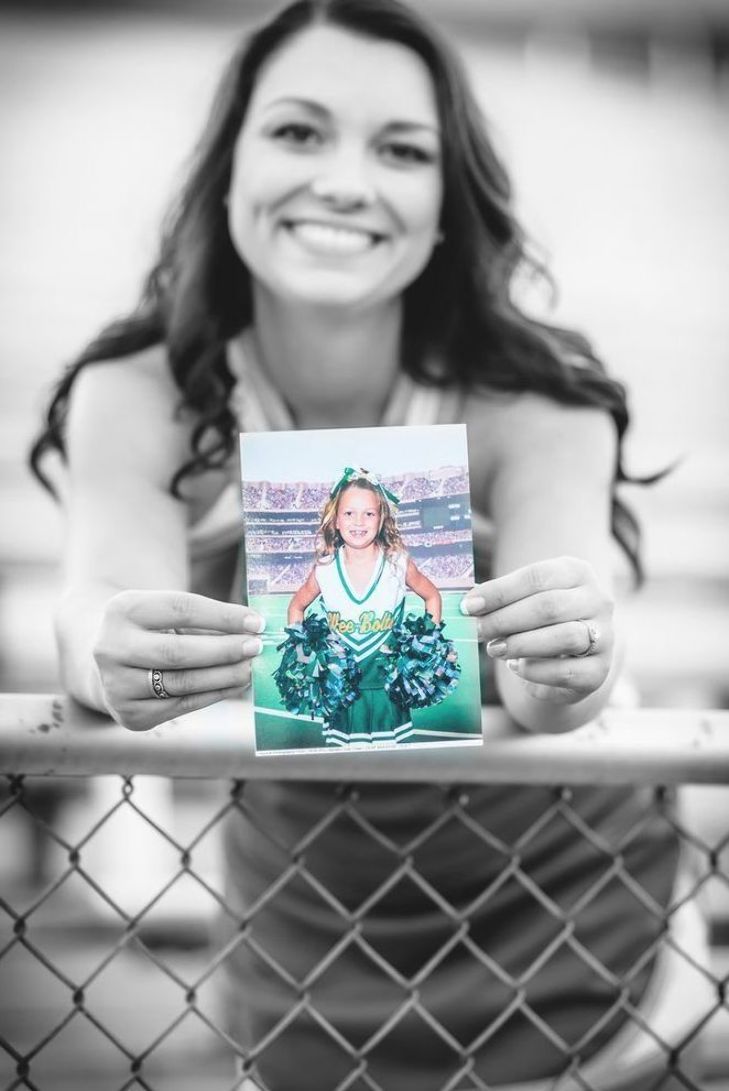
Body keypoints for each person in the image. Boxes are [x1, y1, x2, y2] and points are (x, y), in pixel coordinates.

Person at [29, 0, 697, 1087]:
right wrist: (110, 644)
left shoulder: (534, 401)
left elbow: (551, 692)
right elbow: (98, 601)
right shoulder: (142, 390)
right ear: (228, 170)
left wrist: (572, 647)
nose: (346, 179)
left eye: (400, 149)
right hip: (302, 935)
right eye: (299, 131)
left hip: (571, 924)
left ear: (445, 204)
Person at [282, 466, 452, 747]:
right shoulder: (325, 569)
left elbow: (432, 596)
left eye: (369, 513)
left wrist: (425, 648)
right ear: (336, 520)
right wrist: (300, 654)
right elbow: (296, 606)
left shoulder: (398, 563)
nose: (358, 521)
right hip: (343, 694)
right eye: (349, 513)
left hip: (388, 692)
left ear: (380, 519)